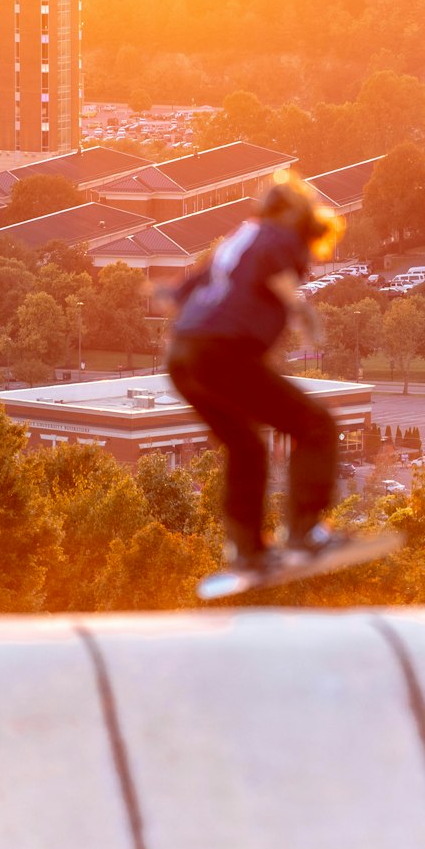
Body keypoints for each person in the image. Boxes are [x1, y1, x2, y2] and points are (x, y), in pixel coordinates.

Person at [164, 172, 346, 575]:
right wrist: (301, 309)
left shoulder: (236, 239)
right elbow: (275, 269)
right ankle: (306, 532)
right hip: (222, 354)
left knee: (246, 446)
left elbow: (181, 293)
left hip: (182, 356)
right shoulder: (279, 236)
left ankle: (246, 550)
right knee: (315, 425)